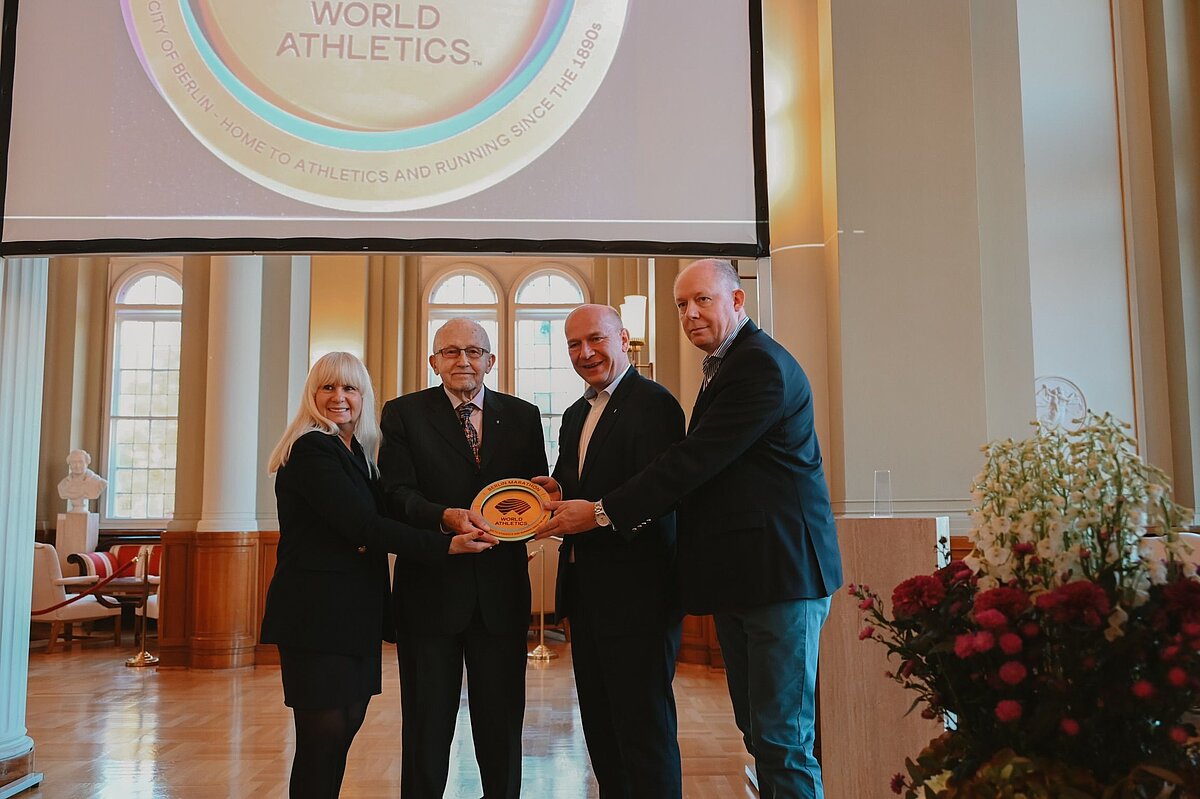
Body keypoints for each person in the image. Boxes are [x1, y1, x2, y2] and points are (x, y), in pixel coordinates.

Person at [538, 259, 844, 799]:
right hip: (743, 576)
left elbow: (692, 463)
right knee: (762, 735)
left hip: (781, 572)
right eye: (682, 304)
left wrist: (601, 511)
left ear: (737, 300)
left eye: (702, 299)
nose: (690, 314)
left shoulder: (758, 365)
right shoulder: (724, 367)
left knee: (783, 742)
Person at [261, 351, 498, 799]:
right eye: (328, 387)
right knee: (322, 737)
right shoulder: (312, 449)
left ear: (363, 396)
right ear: (312, 395)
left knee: (344, 725)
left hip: (352, 615)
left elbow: (384, 514)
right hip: (318, 617)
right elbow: (364, 526)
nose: (339, 397)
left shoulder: (354, 452)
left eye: (349, 388)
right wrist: (445, 544)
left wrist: (463, 522)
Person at [378, 318, 548, 799]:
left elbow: (532, 491)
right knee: (426, 725)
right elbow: (395, 494)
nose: (463, 361)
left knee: (502, 723)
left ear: (491, 361)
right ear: (434, 362)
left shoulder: (524, 416)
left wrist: (545, 498)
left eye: (474, 351)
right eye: (451, 352)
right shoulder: (404, 414)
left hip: (501, 594)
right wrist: (444, 517)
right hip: (430, 591)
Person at [531, 304, 686, 798]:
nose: (585, 353)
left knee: (643, 730)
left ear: (623, 339)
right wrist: (554, 492)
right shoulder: (575, 413)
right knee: (600, 728)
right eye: (574, 344)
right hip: (585, 592)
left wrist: (596, 513)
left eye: (595, 339)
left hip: (640, 593)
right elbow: (580, 485)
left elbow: (660, 493)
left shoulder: (655, 404)